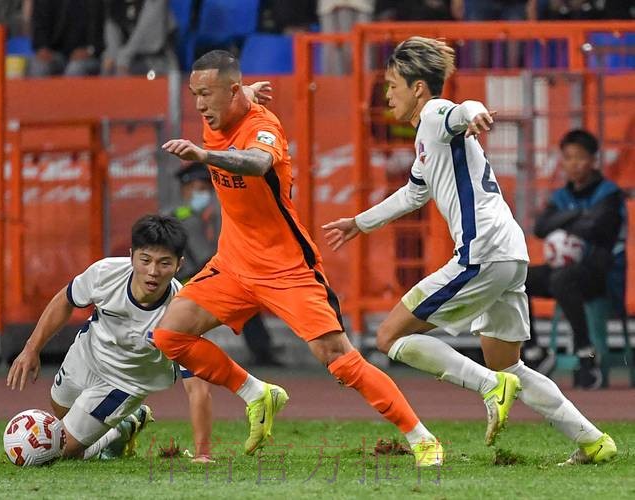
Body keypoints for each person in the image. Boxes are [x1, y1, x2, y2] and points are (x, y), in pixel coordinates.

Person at [154, 49, 478, 466]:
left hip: (286, 268)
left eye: (206, 94)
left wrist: (206, 156)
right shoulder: (221, 108)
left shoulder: (263, 126)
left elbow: (256, 163)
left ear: (230, 91)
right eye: (195, 95)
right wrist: (244, 92)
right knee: (170, 336)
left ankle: (422, 438)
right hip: (233, 264)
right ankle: (257, 393)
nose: (199, 105)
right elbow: (233, 99)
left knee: (339, 361)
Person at [322, 36, 616, 465]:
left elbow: (462, 110)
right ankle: (592, 441)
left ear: (418, 88)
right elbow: (413, 193)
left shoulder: (435, 114)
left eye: (392, 86)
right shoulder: (427, 138)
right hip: (508, 253)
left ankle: (488, 387)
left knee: (390, 337)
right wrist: (360, 223)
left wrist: (475, 113)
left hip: (482, 252)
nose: (387, 96)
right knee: (509, 366)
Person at [5, 215, 211, 460]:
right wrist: (32, 348)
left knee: (62, 450)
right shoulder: (105, 273)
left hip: (126, 382)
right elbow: (65, 299)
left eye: (164, 263)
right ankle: (122, 428)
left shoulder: (183, 312)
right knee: (60, 410)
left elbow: (197, 387)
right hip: (86, 355)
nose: (153, 271)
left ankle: (119, 428)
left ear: (179, 265)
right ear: (132, 255)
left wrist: (203, 453)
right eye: (145, 260)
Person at [523, 129, 626, 389]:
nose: (574, 164)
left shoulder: (609, 194)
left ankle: (586, 355)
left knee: (563, 279)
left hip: (601, 275)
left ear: (593, 160)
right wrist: (579, 214)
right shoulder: (562, 196)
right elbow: (541, 228)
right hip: (565, 272)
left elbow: (596, 227)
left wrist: (563, 220)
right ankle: (534, 351)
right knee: (519, 279)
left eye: (580, 157)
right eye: (568, 158)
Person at [173, 162, 283, 367]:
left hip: (203, 276)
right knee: (242, 296)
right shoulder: (185, 218)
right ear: (185, 190)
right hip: (188, 281)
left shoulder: (205, 216)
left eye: (207, 189)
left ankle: (262, 349)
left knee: (245, 298)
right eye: (199, 189)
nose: (205, 194)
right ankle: (262, 350)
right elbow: (204, 257)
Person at [101, 0, 178, 76]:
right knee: (107, 67)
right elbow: (112, 36)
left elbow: (145, 35)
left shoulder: (156, 2)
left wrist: (123, 57)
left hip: (156, 61)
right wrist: (112, 56)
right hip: (126, 61)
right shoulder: (114, 4)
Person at [29, 0, 104, 77]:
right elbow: (39, 24)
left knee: (75, 69)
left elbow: (101, 31)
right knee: (39, 66)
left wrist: (89, 50)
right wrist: (42, 47)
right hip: (55, 53)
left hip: (89, 56)